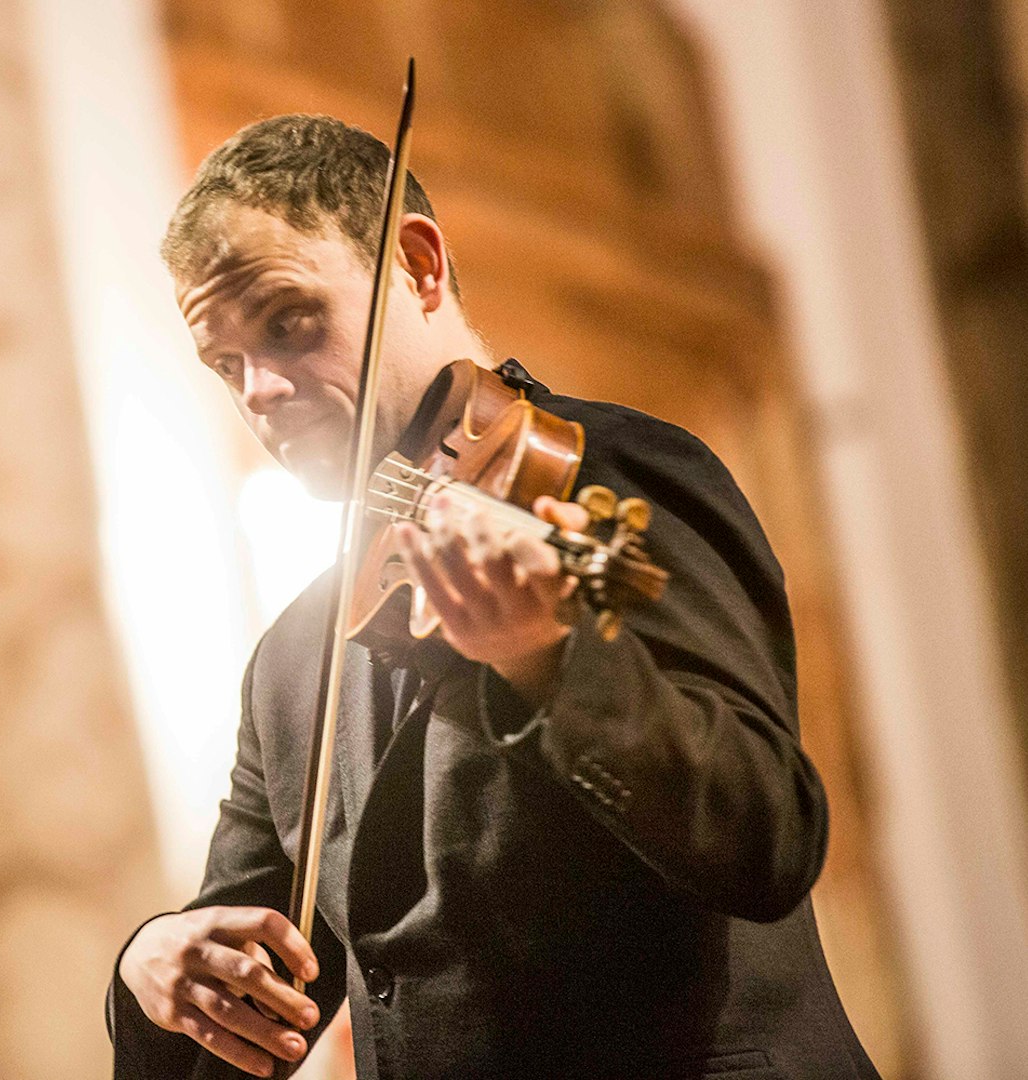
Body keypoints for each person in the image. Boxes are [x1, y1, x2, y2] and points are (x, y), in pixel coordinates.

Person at [106, 114, 880, 1079]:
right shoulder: (295, 657)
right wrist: (150, 965)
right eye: (225, 365)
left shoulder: (616, 475)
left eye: (289, 321)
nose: (259, 387)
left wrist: (552, 659)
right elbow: (249, 1009)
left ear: (419, 267)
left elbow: (768, 837)